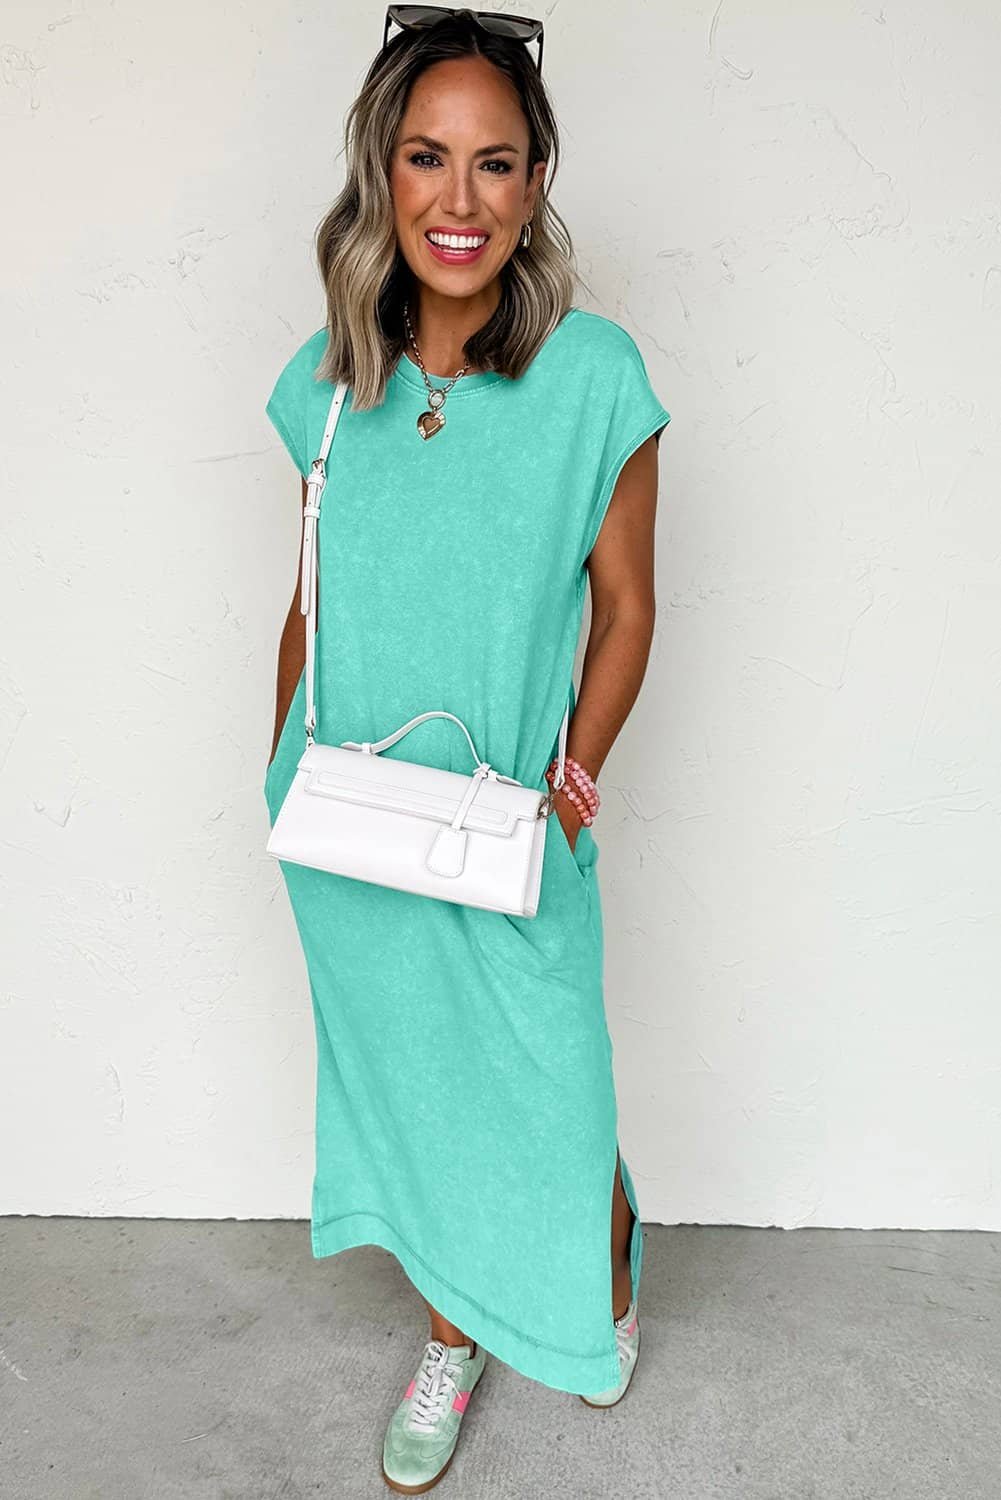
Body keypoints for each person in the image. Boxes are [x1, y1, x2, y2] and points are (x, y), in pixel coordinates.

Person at [262, 7, 670, 1492]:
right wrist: (273, 765)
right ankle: (455, 1332)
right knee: (422, 1088)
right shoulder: (328, 381)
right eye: (426, 157)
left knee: (548, 1071)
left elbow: (625, 610)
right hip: (344, 817)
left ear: (536, 180)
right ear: (381, 169)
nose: (459, 198)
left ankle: (599, 1236)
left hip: (505, 815)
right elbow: (310, 599)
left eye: (495, 163)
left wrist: (577, 780)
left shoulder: (595, 378)